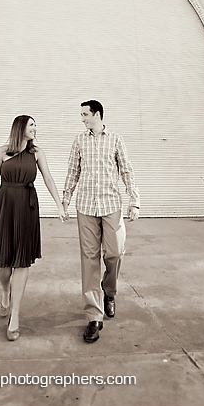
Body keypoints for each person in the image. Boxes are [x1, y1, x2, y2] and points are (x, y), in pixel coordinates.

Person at [0, 115, 67, 341]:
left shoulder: (37, 153)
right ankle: (4, 290)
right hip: (4, 205)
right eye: (31, 125)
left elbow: (48, 178)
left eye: (36, 124)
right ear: (20, 128)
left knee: (21, 260)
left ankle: (15, 315)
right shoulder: (1, 152)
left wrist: (59, 204)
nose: (35, 128)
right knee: (2, 262)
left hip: (27, 208)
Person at [63, 100, 140, 343]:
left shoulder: (116, 139)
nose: (82, 118)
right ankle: (94, 316)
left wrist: (134, 200)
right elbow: (73, 171)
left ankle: (110, 292)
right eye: (81, 114)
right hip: (85, 207)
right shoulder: (79, 140)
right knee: (89, 259)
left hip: (111, 206)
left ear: (97, 114)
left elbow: (126, 170)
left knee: (115, 253)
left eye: (85, 114)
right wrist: (65, 198)